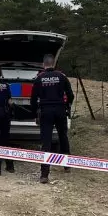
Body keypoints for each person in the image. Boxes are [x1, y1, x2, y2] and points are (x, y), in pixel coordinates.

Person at [30, 54, 74, 183]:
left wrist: (35, 112)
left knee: (46, 141)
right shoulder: (62, 76)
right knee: (63, 137)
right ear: (53, 64)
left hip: (46, 111)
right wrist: (67, 106)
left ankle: (44, 174)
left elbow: (33, 99)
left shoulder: (39, 78)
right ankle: (67, 166)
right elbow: (70, 95)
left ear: (44, 65)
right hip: (60, 110)